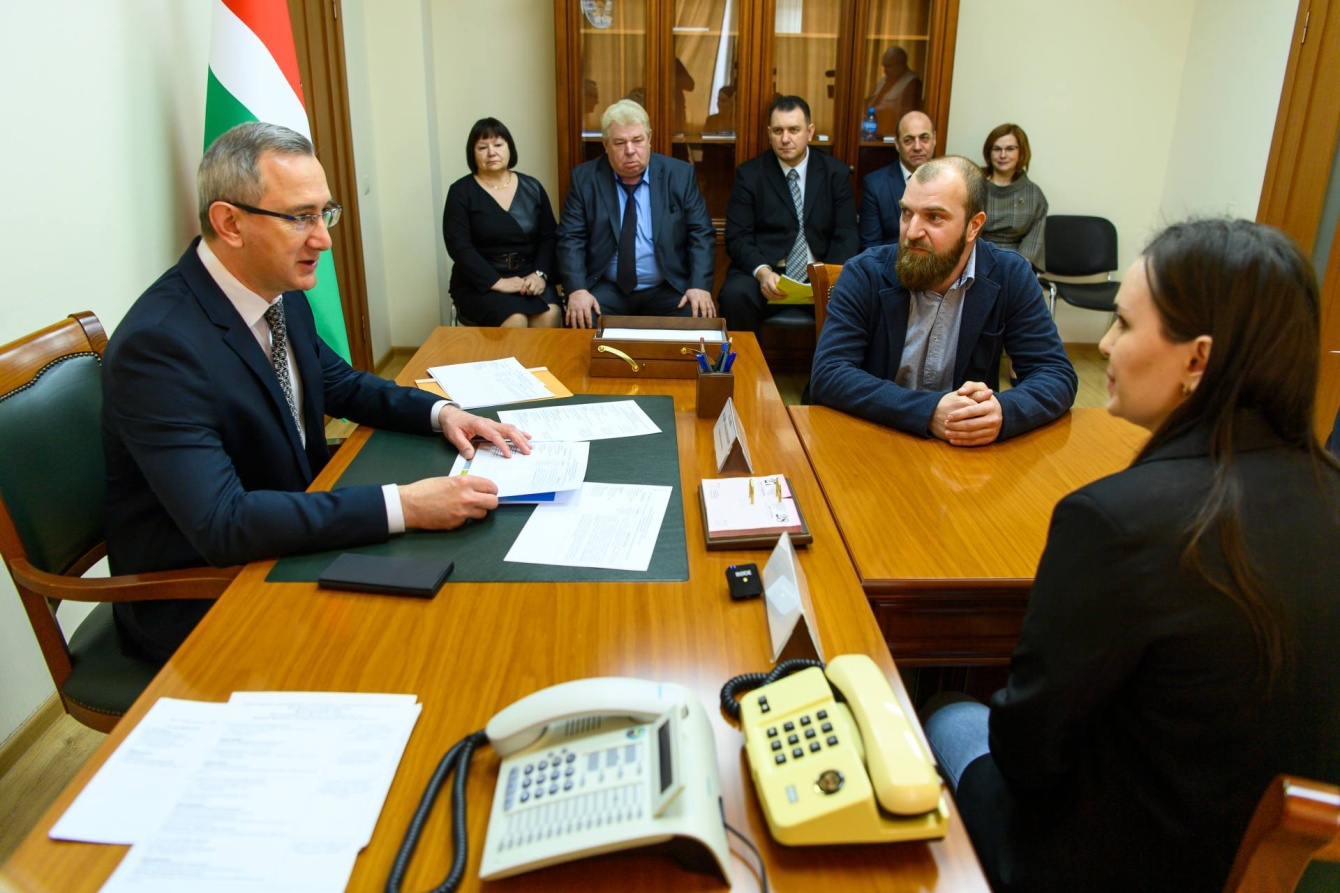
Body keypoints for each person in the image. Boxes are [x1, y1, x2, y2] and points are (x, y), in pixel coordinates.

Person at [923, 218, 1340, 892]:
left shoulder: (1115, 520)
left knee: (947, 712)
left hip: (1103, 863)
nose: (1106, 344)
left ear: (1197, 361)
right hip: (1284, 863)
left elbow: (1025, 755)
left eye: (1123, 323)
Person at [103, 122, 530, 663]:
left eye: (324, 213)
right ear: (230, 223)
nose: (323, 239)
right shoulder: (159, 346)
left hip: (292, 534)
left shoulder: (273, 287)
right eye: (299, 217)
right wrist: (405, 506)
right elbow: (223, 523)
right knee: (434, 649)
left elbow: (338, 383)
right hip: (210, 594)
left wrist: (443, 413)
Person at [810, 155, 1076, 445]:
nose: (912, 232)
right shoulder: (865, 273)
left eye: (934, 217)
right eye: (906, 213)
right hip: (875, 437)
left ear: (974, 226)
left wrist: (1002, 411)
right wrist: (928, 412)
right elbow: (829, 374)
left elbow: (1055, 374)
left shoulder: (1010, 275)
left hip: (965, 449)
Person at [556, 99, 716, 328]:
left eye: (637, 140)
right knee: (583, 317)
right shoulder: (585, 180)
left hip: (666, 286)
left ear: (649, 139)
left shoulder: (679, 175)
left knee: (696, 314)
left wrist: (699, 285)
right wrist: (577, 289)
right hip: (608, 287)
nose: (630, 151)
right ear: (605, 145)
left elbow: (701, 234)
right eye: (620, 143)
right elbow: (570, 238)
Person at [718, 95, 859, 333]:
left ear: (810, 132)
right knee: (734, 295)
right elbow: (737, 237)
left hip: (819, 272)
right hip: (769, 272)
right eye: (778, 131)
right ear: (769, 133)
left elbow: (847, 233)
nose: (785, 139)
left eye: (794, 130)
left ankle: (832, 360)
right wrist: (762, 272)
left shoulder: (835, 174)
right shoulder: (750, 175)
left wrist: (827, 276)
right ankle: (747, 359)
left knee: (852, 296)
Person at [442, 118, 560, 328]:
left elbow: (549, 238)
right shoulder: (460, 192)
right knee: (515, 319)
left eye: (498, 145)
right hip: (481, 281)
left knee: (549, 314)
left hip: (529, 275)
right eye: (482, 147)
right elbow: (459, 246)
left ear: (509, 149)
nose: (492, 153)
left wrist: (540, 274)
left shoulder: (532, 187)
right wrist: (496, 282)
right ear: (472, 154)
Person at [859, 110, 936, 249]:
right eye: (908, 140)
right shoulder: (875, 185)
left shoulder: (950, 182)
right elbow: (871, 247)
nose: (917, 147)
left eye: (924, 138)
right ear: (897, 143)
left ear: (934, 139)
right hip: (894, 261)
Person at [979, 123, 1048, 269]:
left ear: (1021, 152)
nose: (1003, 155)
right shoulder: (974, 186)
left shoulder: (1034, 195)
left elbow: (1033, 244)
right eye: (997, 149)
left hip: (1017, 265)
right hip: (976, 259)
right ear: (989, 152)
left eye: (1010, 149)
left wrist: (1015, 270)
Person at [863, 46, 922, 137]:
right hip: (872, 131)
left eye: (888, 66)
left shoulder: (911, 82)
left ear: (901, 65)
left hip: (892, 135)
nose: (885, 71)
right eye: (884, 66)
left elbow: (908, 116)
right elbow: (870, 100)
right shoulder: (884, 80)